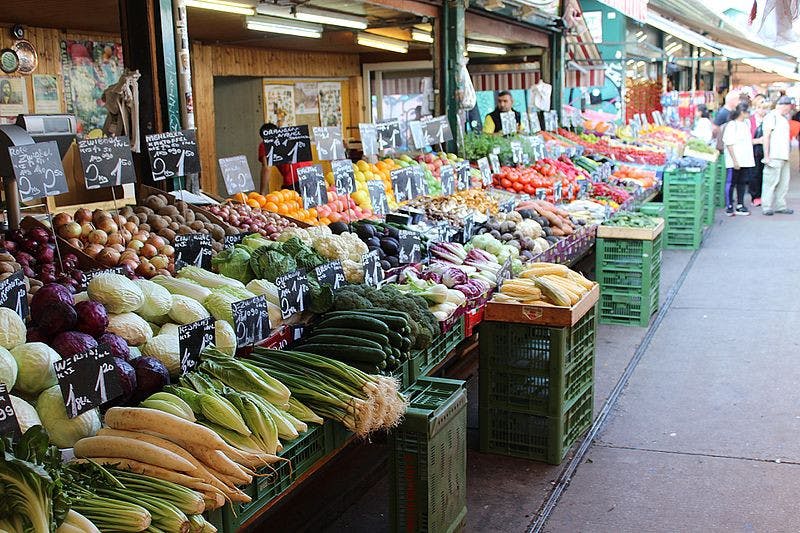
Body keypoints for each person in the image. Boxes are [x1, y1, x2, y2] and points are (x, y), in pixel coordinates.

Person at [761, 96, 794, 216]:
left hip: (784, 155)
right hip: (774, 155)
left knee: (784, 182)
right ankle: (766, 206)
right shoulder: (771, 117)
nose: (789, 110)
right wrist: (766, 155)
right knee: (770, 182)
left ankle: (781, 205)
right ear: (784, 105)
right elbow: (766, 137)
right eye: (789, 107)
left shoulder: (783, 118)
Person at [722, 103, 755, 216]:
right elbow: (729, 144)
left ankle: (740, 204)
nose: (749, 114)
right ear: (742, 112)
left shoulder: (746, 123)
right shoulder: (732, 125)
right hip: (734, 161)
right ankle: (729, 206)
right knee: (731, 183)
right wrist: (735, 160)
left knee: (742, 183)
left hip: (745, 160)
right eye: (747, 111)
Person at [750, 100, 772, 207]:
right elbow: (745, 139)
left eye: (765, 108)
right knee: (755, 174)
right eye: (760, 108)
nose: (763, 111)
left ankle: (764, 196)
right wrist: (758, 141)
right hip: (755, 151)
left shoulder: (770, 120)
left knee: (766, 174)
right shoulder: (750, 121)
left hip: (767, 151)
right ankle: (756, 196)